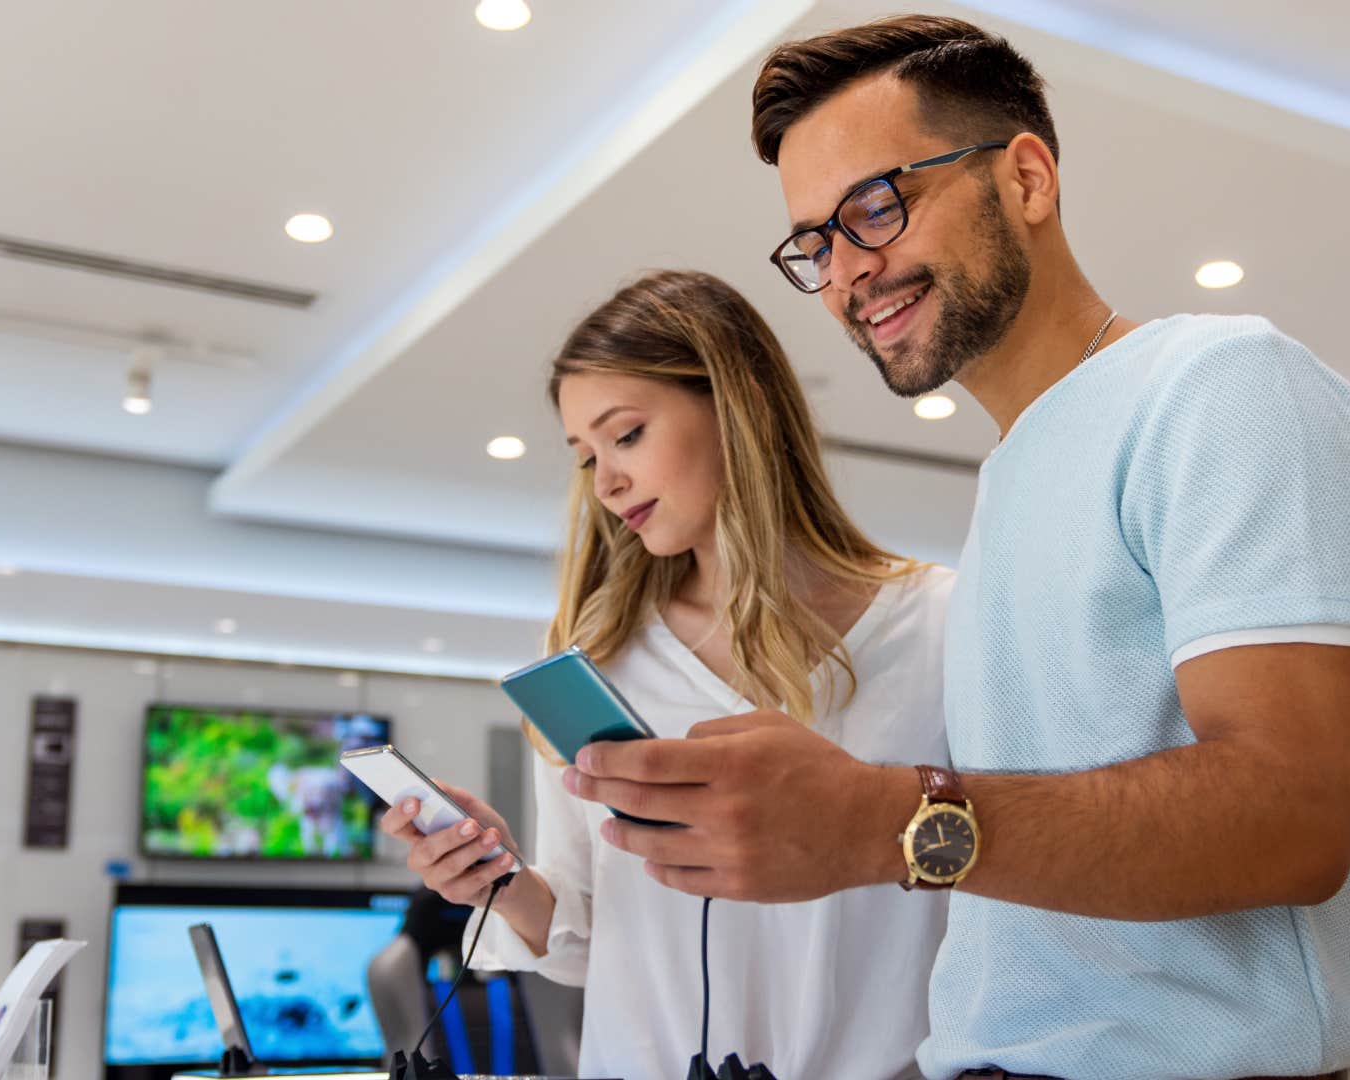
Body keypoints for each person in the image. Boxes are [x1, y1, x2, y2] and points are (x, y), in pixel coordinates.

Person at [564, 17, 1350, 1080]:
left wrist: (877, 821)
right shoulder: (1012, 477)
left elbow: (1296, 816)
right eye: (815, 243)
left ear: (1025, 178)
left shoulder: (1222, 385)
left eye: (876, 206)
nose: (846, 275)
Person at [380, 269, 955, 1080]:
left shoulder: (939, 625)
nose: (606, 482)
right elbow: (576, 938)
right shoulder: (601, 660)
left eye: (626, 435)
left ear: (735, 403)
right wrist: (497, 880)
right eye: (586, 457)